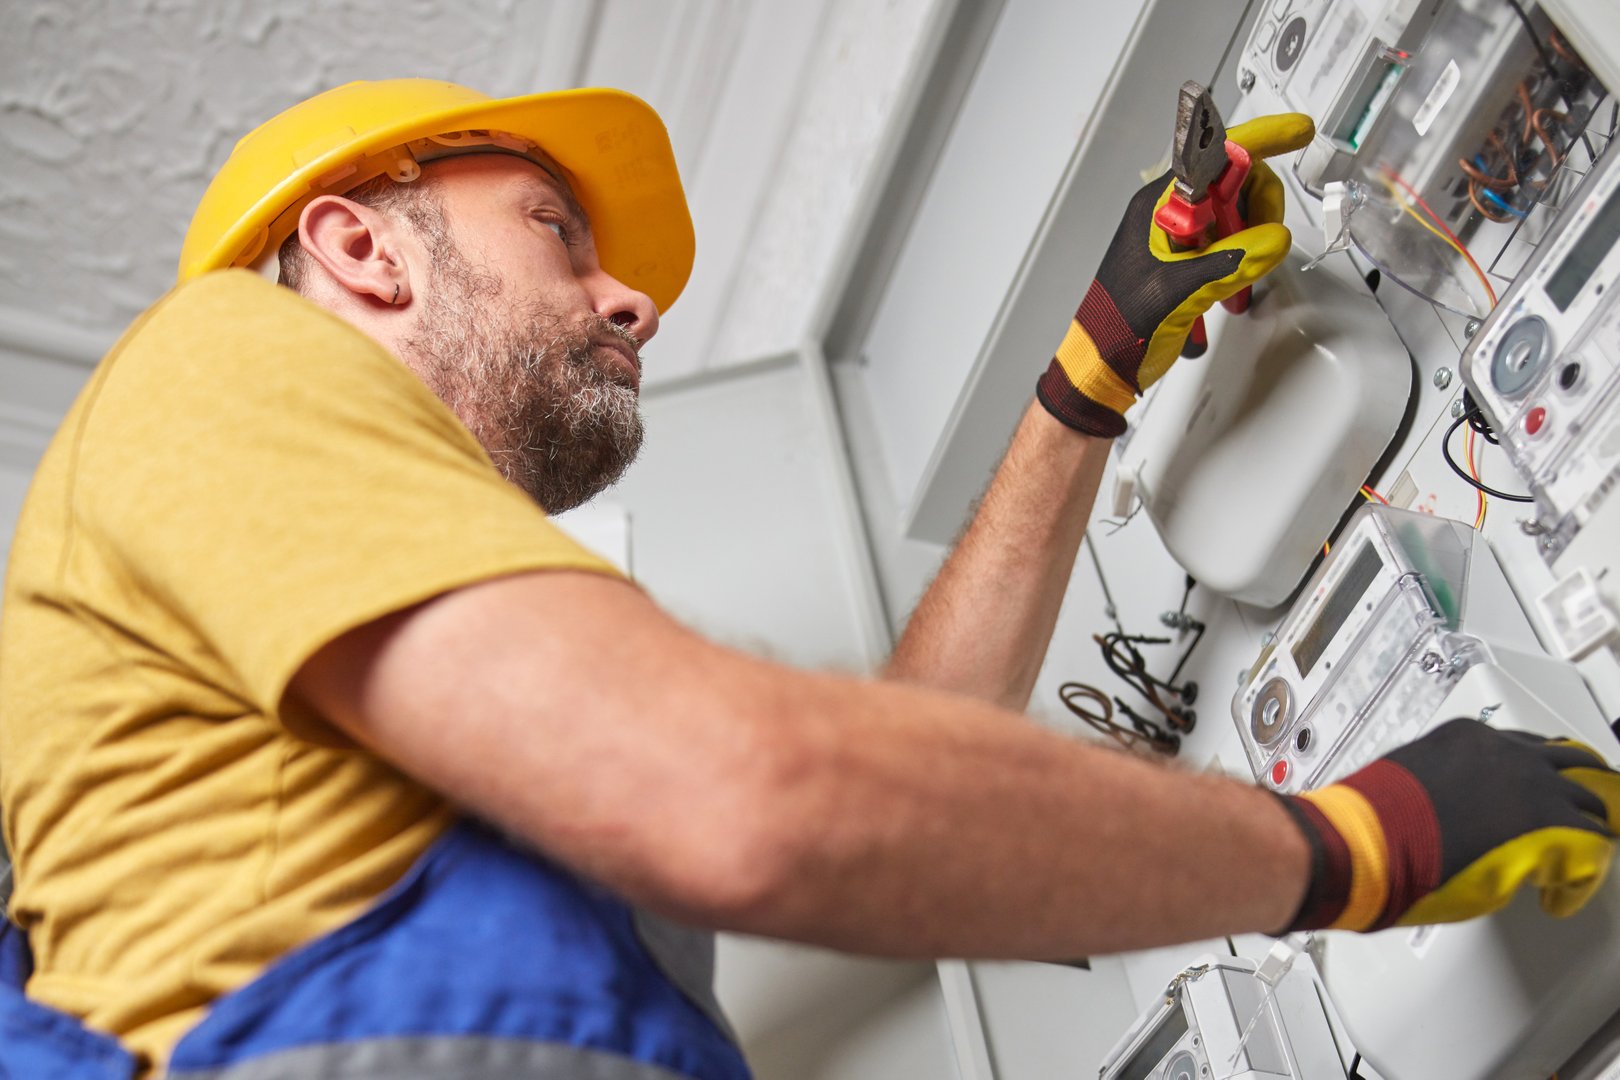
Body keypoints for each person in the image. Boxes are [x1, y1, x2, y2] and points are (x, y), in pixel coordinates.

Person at [0, 78, 1615, 1080]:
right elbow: (756, 799)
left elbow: (908, 759)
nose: (630, 300)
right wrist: (1358, 846)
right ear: (360, 251)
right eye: (558, 227)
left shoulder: (407, 732)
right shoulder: (222, 356)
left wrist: (1092, 370)